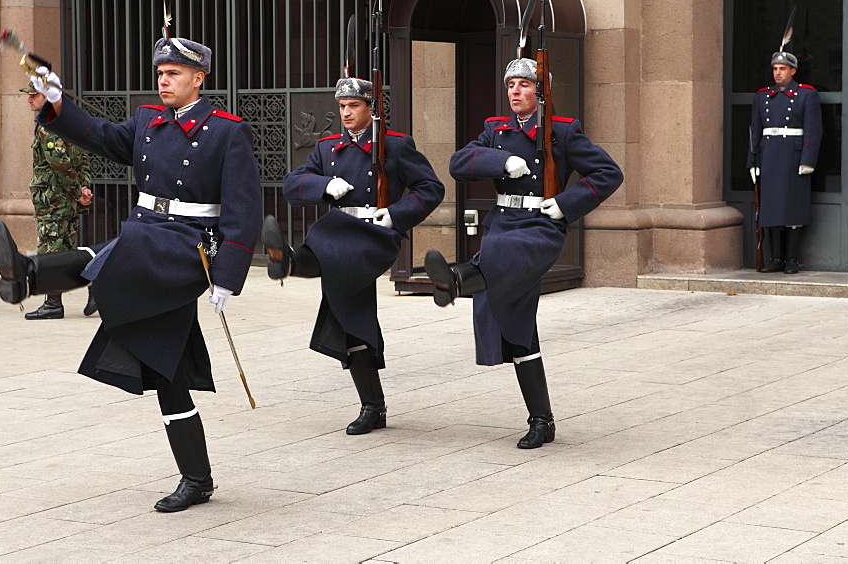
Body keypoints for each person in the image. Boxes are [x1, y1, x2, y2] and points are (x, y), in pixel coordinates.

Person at [0, 36, 262, 512]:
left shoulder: (225, 131)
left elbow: (245, 208)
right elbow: (97, 134)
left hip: (189, 244)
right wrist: (56, 101)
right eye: (160, 72)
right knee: (167, 368)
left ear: (199, 78)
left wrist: (228, 275)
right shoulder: (147, 122)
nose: (163, 79)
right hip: (149, 236)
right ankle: (197, 479)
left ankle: (31, 276)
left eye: (173, 73)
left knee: (125, 246)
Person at [424, 58, 622, 449]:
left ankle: (460, 279)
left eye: (524, 85)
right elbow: (457, 164)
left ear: (541, 91)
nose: (515, 91)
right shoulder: (495, 131)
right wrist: (502, 160)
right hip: (504, 219)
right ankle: (542, 421)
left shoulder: (562, 132)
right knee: (518, 327)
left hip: (540, 227)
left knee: (505, 253)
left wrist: (566, 203)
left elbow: (608, 173)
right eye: (511, 84)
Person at [261, 77, 444, 435]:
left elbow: (431, 188)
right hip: (341, 231)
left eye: (354, 106)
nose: (345, 112)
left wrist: (396, 214)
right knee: (350, 309)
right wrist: (323, 185)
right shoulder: (328, 148)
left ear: (371, 108)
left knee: (338, 270)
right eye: (342, 107)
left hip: (376, 233)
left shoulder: (395, 145)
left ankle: (290, 262)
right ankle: (373, 407)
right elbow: (292, 184)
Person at [20, 83, 95, 319]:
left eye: (34, 96)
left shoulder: (48, 128)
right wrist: (83, 188)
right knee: (68, 250)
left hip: (53, 200)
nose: (29, 100)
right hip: (66, 199)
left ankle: (53, 303)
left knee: (51, 250)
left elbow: (60, 165)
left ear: (49, 97)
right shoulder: (69, 124)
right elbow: (83, 159)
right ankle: (97, 287)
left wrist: (76, 191)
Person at [748, 51, 823, 274]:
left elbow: (814, 129)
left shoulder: (806, 94)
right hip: (770, 156)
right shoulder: (762, 96)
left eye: (782, 69)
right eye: (775, 69)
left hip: (794, 157)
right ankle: (775, 259)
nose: (777, 73)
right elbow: (755, 131)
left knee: (793, 209)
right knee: (770, 211)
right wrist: (753, 161)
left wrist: (808, 159)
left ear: (793, 71)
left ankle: (791, 259)